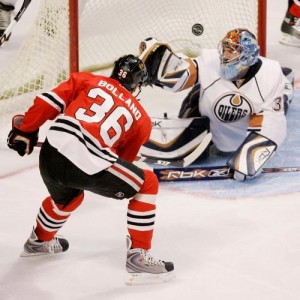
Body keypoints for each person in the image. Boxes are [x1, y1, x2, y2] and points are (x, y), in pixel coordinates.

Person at [7, 54, 175, 285]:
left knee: (69, 198)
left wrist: (26, 129)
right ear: (137, 85)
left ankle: (39, 241)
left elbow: (48, 102)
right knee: (147, 183)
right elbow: (121, 161)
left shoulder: (86, 79)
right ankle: (138, 255)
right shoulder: (142, 120)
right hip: (86, 163)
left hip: (50, 153)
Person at [138, 28, 294, 181]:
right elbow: (186, 72)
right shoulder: (211, 60)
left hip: (244, 132)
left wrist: (250, 156)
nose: (225, 56)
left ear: (247, 56)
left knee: (282, 99)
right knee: (195, 96)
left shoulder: (270, 75)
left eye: (232, 51)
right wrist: (163, 66)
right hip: (211, 118)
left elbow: (272, 124)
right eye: (225, 49)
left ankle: (287, 84)